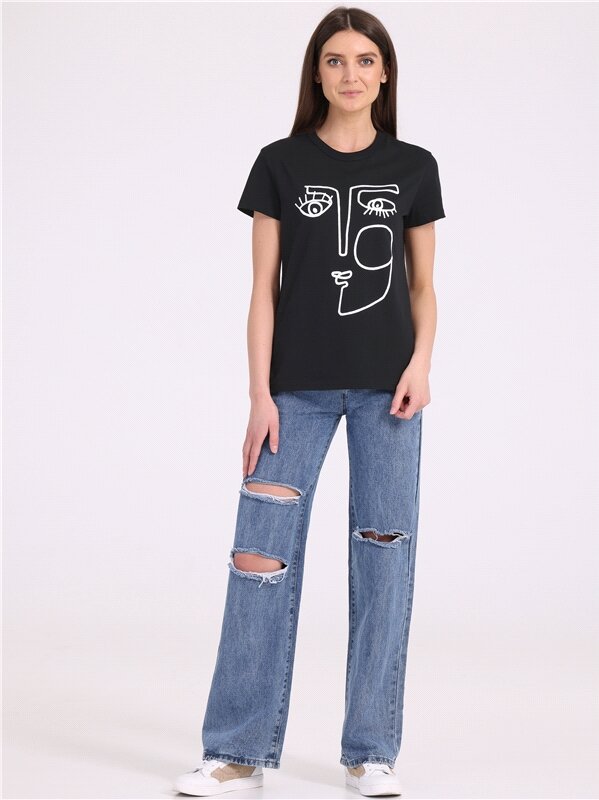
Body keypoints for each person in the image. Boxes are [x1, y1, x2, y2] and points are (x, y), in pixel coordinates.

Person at [174, 5, 446, 797]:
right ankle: (236, 750)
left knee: (383, 559)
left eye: (364, 60)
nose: (350, 74)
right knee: (258, 560)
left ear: (383, 74)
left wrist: (421, 364)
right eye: (334, 60)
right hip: (293, 392)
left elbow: (423, 287)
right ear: (316, 74)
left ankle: (370, 750)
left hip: (389, 394)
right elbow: (262, 289)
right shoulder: (279, 164)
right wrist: (259, 394)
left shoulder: (414, 166)